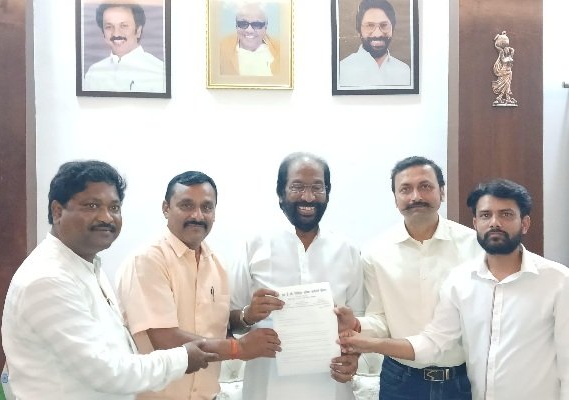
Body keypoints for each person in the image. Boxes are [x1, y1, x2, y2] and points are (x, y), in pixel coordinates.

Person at [1, 161, 218, 400]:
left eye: (114, 207)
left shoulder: (87, 266)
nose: (106, 217)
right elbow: (107, 372)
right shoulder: (48, 280)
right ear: (57, 211)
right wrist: (183, 357)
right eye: (92, 205)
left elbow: (117, 353)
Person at [339, 179, 569, 400]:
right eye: (485, 215)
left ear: (525, 223)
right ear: (475, 224)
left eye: (506, 214)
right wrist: (367, 343)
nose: (495, 223)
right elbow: (435, 343)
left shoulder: (558, 281)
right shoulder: (461, 280)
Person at [115, 171, 281, 400]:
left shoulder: (217, 264)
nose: (197, 215)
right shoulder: (147, 261)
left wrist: (247, 315)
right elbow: (164, 339)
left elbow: (218, 327)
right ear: (166, 208)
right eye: (186, 205)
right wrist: (238, 348)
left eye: (207, 207)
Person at [336, 156, 483, 400]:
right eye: (405, 189)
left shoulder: (475, 246)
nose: (416, 196)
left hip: (463, 378)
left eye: (425, 186)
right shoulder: (375, 252)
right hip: (401, 380)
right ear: (395, 199)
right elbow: (380, 320)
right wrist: (357, 325)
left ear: (442, 192)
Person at [229, 152, 365, 400]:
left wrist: (354, 357)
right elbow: (228, 320)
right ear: (280, 192)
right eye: (297, 187)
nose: (308, 197)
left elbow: (359, 324)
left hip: (333, 388)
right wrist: (248, 315)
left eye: (317, 187)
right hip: (265, 389)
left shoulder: (347, 251)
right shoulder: (254, 246)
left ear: (327, 192)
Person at [83, 4, 165, 92]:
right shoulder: (93, 73)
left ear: (138, 31)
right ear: (103, 33)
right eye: (109, 27)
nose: (116, 33)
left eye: (124, 26)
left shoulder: (160, 72)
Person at [339, 0, 410, 87]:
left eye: (384, 25)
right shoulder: (342, 70)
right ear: (359, 31)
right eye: (369, 25)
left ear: (393, 28)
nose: (377, 34)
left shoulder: (405, 71)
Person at [219, 2, 280, 76]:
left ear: (266, 26)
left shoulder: (281, 50)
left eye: (256, 24)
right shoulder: (220, 50)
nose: (249, 30)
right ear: (236, 25)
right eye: (243, 23)